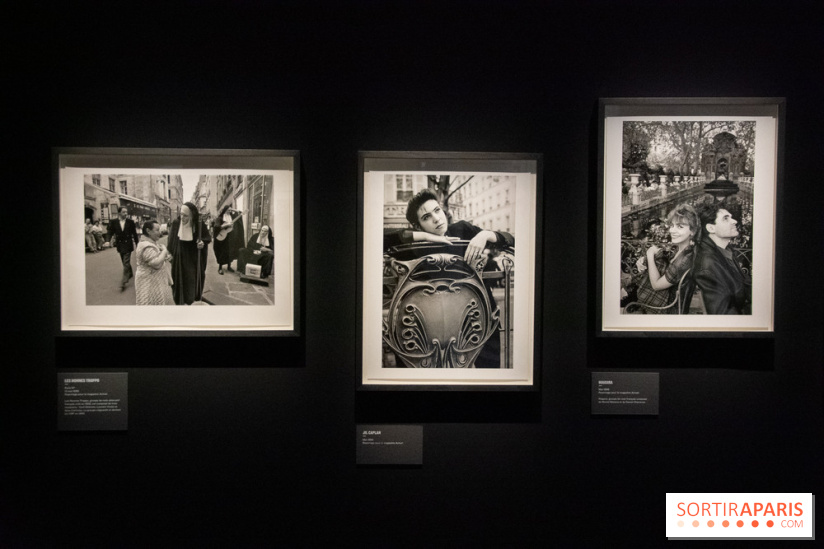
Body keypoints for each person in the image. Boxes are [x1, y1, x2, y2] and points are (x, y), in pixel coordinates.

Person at [384, 189, 515, 368]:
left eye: (437, 210)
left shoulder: (462, 230)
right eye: (426, 217)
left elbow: (510, 240)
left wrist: (484, 235)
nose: (437, 219)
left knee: (489, 372)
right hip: (431, 326)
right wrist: (424, 237)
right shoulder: (414, 246)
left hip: (477, 317)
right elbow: (379, 239)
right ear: (417, 226)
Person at [632, 203, 700, 314]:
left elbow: (656, 285)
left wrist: (649, 255)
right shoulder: (679, 250)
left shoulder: (685, 260)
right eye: (672, 226)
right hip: (668, 304)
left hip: (667, 310)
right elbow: (661, 261)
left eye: (680, 227)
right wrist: (643, 261)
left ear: (692, 231)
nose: (672, 231)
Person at [693, 202, 752, 314]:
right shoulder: (708, 265)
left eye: (731, 217)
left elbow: (746, 283)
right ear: (711, 228)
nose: (734, 221)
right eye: (726, 218)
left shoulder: (726, 251)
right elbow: (724, 314)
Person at [167, 202, 211, 305]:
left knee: (192, 283)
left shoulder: (199, 224)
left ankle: (192, 302)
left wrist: (202, 243)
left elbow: (207, 238)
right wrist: (170, 253)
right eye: (181, 214)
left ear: (192, 216)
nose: (182, 217)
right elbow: (171, 240)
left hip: (193, 260)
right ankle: (181, 303)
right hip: (179, 260)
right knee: (179, 283)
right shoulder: (176, 223)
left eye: (186, 216)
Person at [135, 220, 174, 305]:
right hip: (148, 283)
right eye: (157, 230)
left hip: (155, 282)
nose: (160, 232)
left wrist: (164, 256)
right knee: (150, 306)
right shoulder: (145, 245)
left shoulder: (151, 243)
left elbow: (158, 258)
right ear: (148, 231)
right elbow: (156, 263)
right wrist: (164, 251)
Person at [108, 206, 140, 291]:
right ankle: (130, 273)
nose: (126, 214)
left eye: (126, 212)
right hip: (119, 244)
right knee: (124, 261)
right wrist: (107, 241)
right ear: (119, 213)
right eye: (124, 212)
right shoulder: (114, 222)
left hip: (128, 244)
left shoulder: (130, 222)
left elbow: (134, 234)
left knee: (126, 262)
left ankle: (124, 281)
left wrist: (138, 244)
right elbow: (110, 232)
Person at [212, 205, 245, 275]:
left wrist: (234, 210)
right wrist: (226, 225)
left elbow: (240, 213)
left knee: (230, 252)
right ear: (225, 210)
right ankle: (220, 267)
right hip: (222, 238)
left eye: (230, 210)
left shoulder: (232, 217)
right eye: (228, 210)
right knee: (222, 252)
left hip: (230, 238)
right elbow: (216, 226)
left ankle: (229, 266)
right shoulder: (220, 218)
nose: (230, 211)